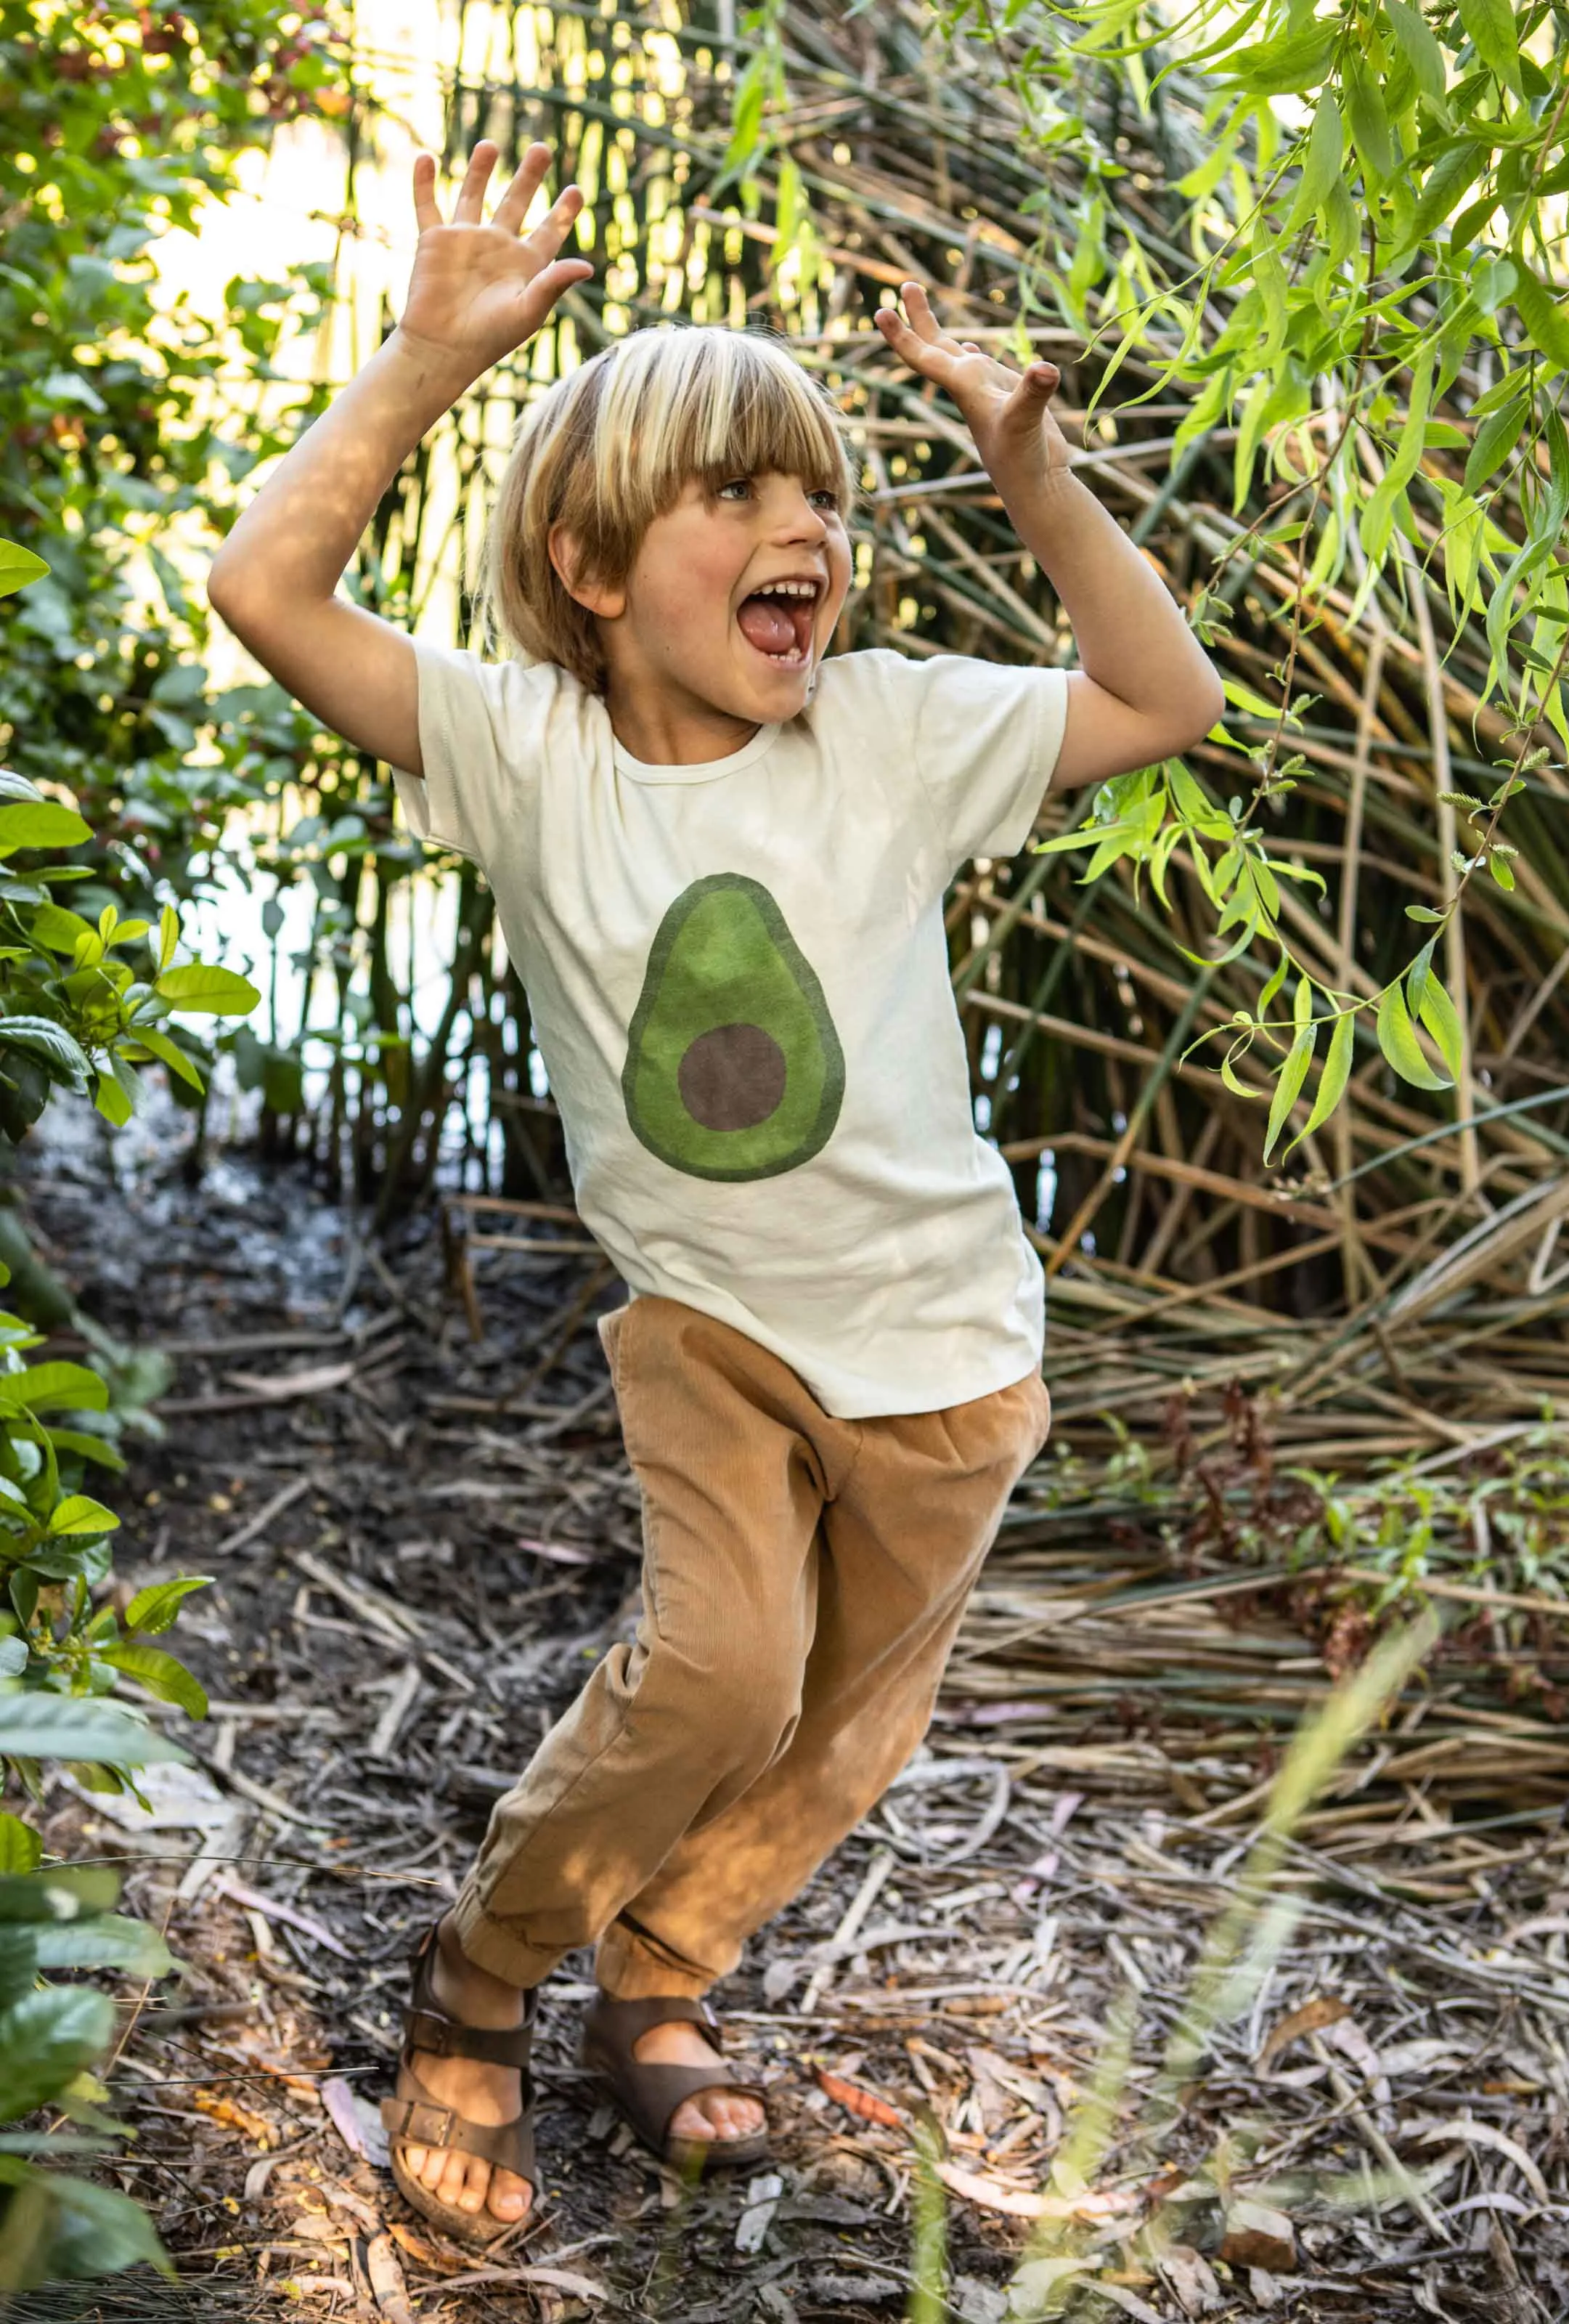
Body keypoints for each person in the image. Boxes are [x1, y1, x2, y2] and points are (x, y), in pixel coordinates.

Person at [208, 136, 1223, 2243]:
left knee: (843, 1739)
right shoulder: (523, 756)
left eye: (821, 496)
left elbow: (1162, 697)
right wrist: (413, 360)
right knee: (723, 1675)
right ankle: (484, 1976)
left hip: (952, 1344)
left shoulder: (890, 733)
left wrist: (1033, 483)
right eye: (736, 494)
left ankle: (655, 1988)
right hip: (716, 1331)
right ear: (587, 568)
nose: (805, 530)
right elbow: (266, 595)